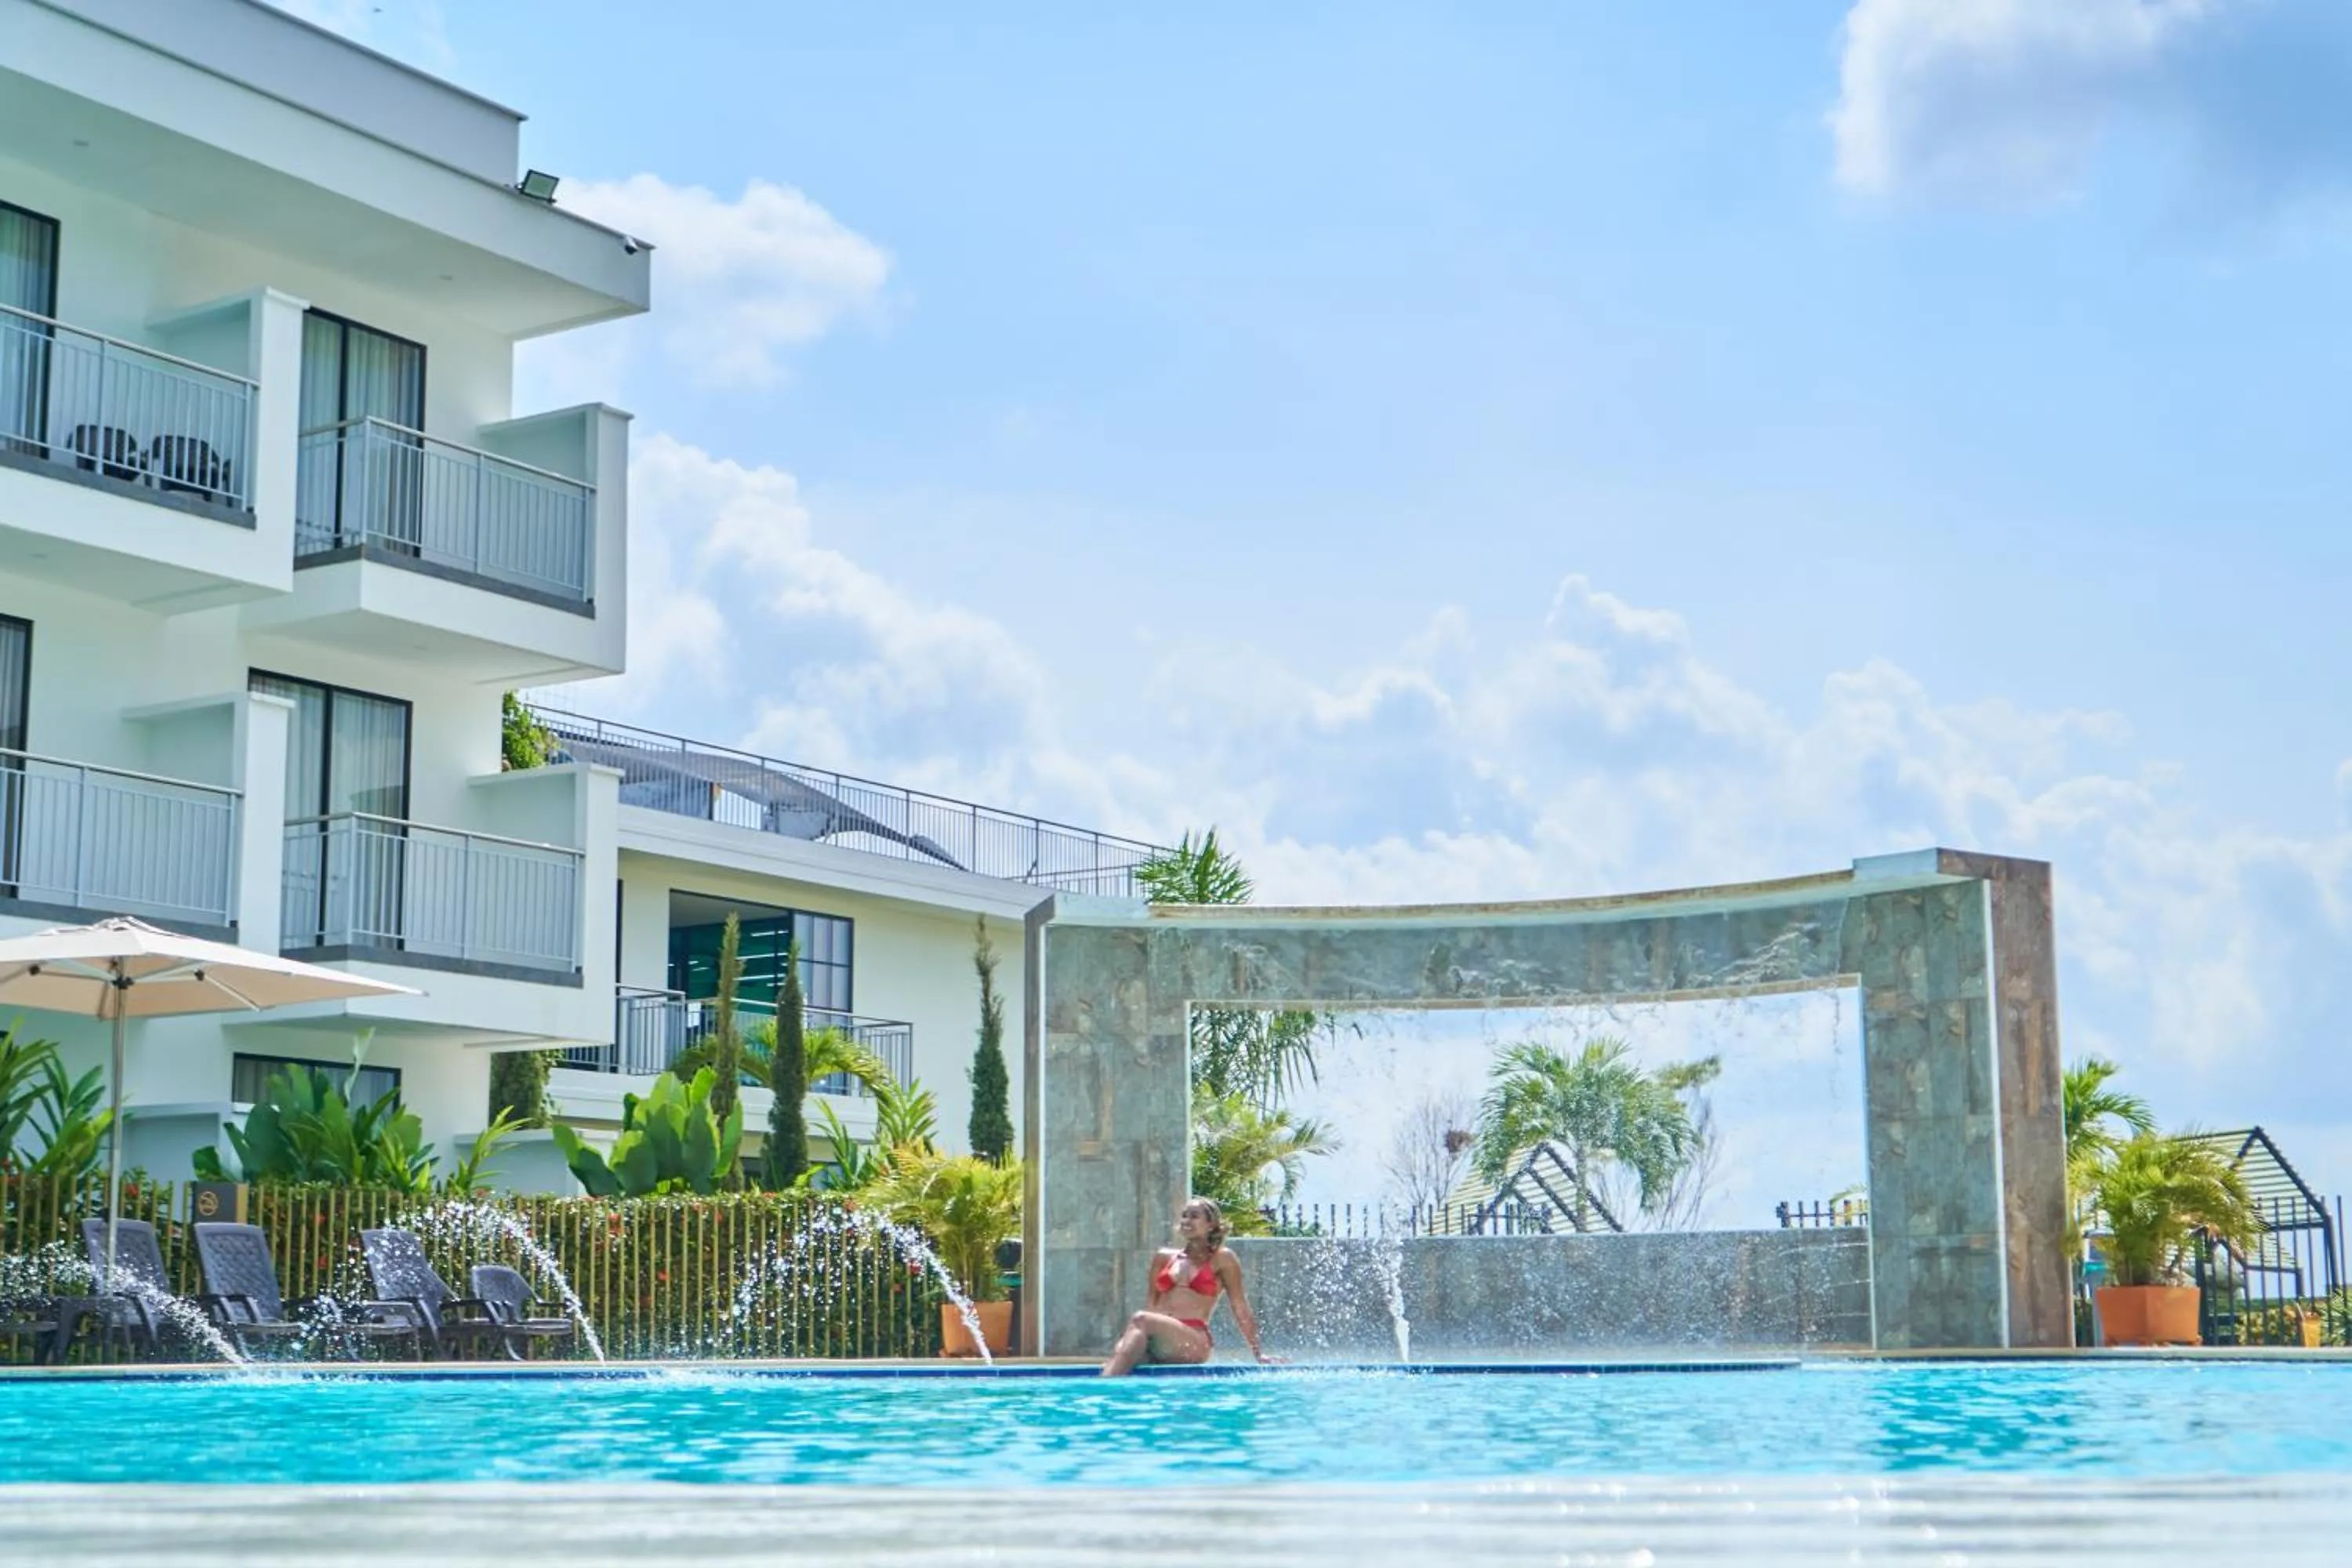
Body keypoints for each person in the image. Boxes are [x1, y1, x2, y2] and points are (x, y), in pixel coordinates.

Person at [1099, 1196, 1275, 1375]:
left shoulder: (1224, 1259)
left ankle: (1104, 1391)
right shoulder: (1163, 1257)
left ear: (1211, 1225)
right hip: (1160, 1340)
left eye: (1194, 1216)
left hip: (1193, 1340)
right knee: (1122, 1351)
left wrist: (1258, 1353)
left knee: (1140, 1319)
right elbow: (1152, 1305)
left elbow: (1240, 1307)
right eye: (1184, 1215)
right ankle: (1111, 1395)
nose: (1186, 1221)